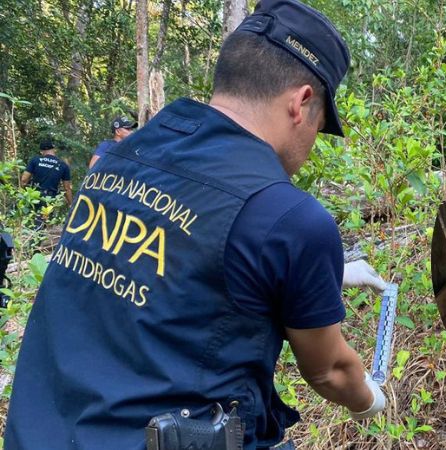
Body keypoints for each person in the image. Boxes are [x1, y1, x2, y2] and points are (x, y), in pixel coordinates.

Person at [6, 1, 388, 449]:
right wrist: (369, 399)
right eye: (320, 127)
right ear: (302, 103)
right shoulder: (288, 216)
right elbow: (330, 371)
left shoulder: (120, 160)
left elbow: (181, 261)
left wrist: (323, 276)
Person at [20, 139, 73, 218]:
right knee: (45, 222)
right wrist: (71, 205)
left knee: (31, 220)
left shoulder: (35, 160)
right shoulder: (63, 165)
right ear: (54, 150)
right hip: (50, 199)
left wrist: (22, 193)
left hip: (34, 197)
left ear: (41, 151)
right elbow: (67, 188)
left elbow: (24, 180)